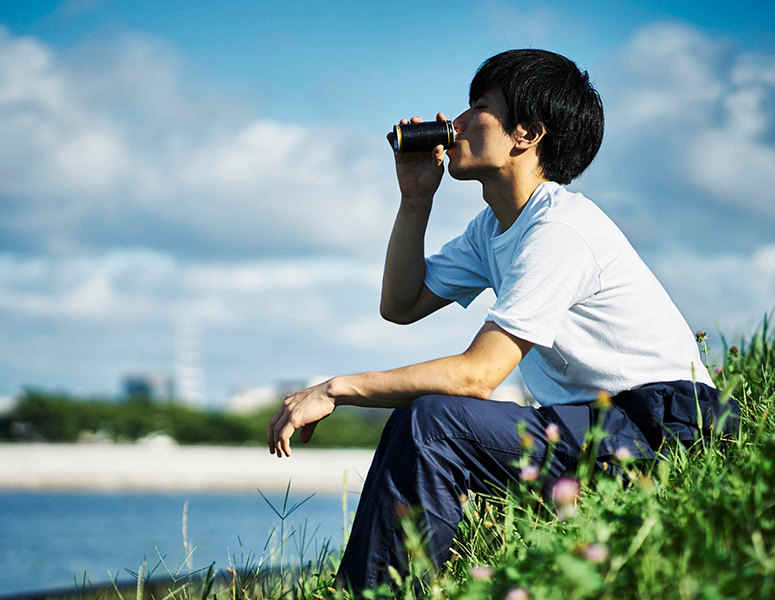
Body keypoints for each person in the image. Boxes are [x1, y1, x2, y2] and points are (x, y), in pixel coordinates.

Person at [267, 49, 736, 593]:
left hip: (666, 429)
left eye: (479, 108)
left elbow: (476, 377)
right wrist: (415, 200)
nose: (457, 122)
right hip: (593, 426)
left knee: (433, 423)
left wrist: (336, 389)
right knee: (429, 422)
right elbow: (400, 305)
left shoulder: (560, 229)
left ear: (526, 134)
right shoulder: (492, 229)